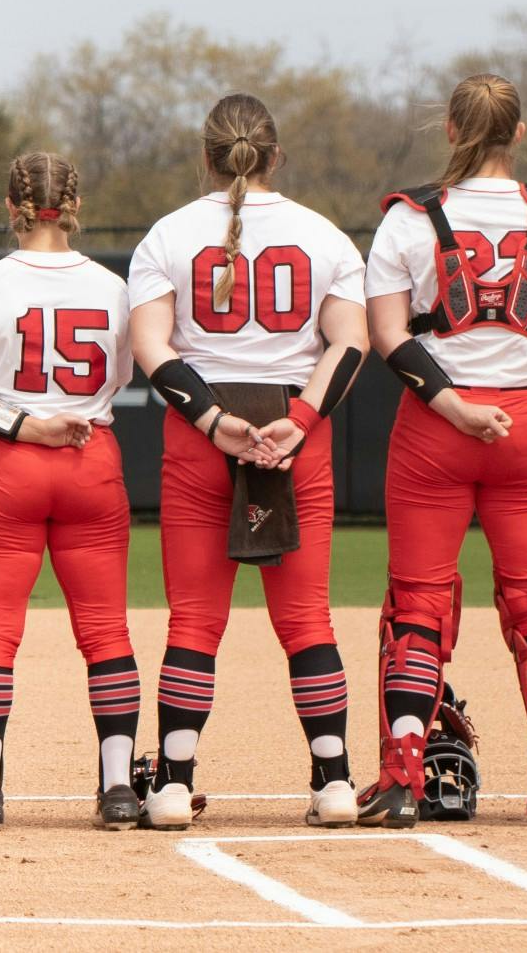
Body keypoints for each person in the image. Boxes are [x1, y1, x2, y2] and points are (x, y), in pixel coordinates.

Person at [127, 93, 371, 832]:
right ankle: (333, 781)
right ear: (277, 155)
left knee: (195, 618)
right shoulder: (324, 235)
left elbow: (153, 348)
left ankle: (173, 784)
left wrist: (214, 420)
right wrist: (295, 423)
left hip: (202, 436)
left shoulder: (168, 235)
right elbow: (350, 342)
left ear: (206, 156)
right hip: (297, 433)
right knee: (306, 617)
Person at [360, 73, 527, 828]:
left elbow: (390, 337)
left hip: (436, 422)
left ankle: (402, 773)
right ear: (518, 134)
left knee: (418, 604)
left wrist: (455, 404)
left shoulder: (407, 219)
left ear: (452, 131)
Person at [0, 152, 140, 831]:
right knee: (107, 630)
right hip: (91, 455)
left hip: (8, 463)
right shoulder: (115, 287)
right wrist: (64, 421)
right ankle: (117, 788)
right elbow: (132, 373)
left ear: (10, 203)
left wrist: (29, 424)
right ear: (76, 203)